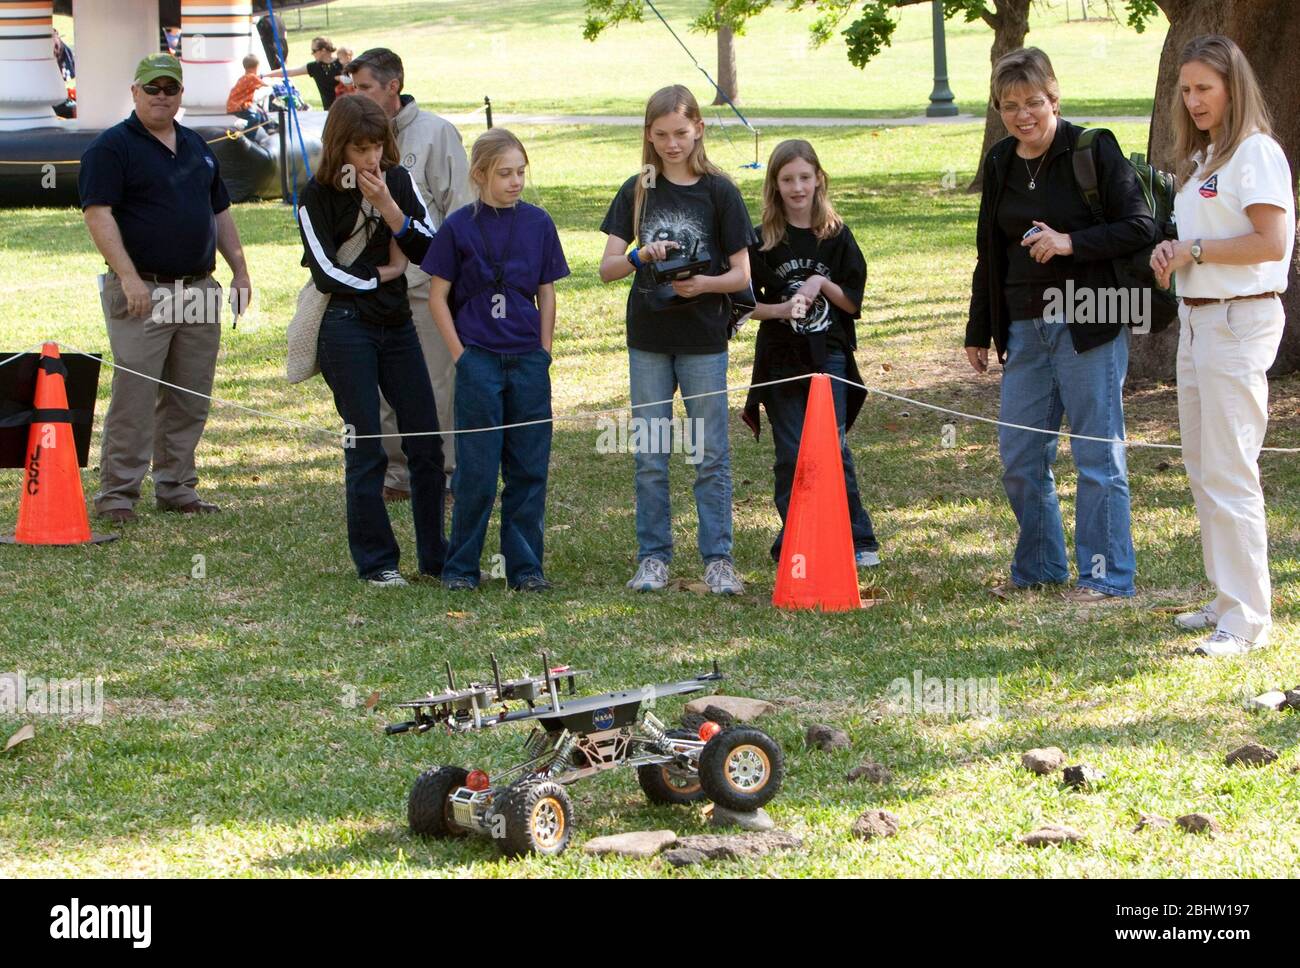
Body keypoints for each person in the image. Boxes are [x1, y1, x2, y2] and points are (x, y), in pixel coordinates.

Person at [965, 47, 1155, 603]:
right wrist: (979, 328)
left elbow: (1139, 225)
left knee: (1096, 455)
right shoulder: (1001, 161)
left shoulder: (1092, 149)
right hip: (1024, 326)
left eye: (1033, 102)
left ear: (1055, 97)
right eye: (1009, 105)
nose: (1023, 115)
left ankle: (1105, 576)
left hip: (1088, 320)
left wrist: (1071, 242)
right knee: (1021, 455)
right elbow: (990, 252)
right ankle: (1041, 567)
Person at [1150, 35, 1296, 656]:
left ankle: (1246, 619)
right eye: (1186, 89)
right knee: (1203, 465)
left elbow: (1271, 243)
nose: (1193, 99)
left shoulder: (1256, 154)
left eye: (1204, 87)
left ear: (1233, 87)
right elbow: (1200, 241)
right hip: (1198, 317)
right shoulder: (1208, 159)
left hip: (1240, 321)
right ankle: (1224, 595)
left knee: (1232, 468)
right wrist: (1172, 253)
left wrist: (1196, 251)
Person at [79, 54, 252, 523]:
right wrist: (129, 277)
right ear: (134, 92)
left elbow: (219, 213)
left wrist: (239, 269)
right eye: (152, 88)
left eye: (169, 89)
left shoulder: (197, 145)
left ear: (180, 95)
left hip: (199, 287)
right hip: (143, 291)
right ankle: (117, 495)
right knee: (135, 396)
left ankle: (176, 486)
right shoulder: (111, 148)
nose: (161, 96)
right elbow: (99, 214)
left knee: (189, 394)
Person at [599, 84, 755, 595]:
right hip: (648, 336)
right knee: (651, 451)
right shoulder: (637, 189)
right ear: (649, 134)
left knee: (710, 451)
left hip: (703, 339)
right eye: (662, 134)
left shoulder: (719, 190)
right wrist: (642, 257)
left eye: (681, 133)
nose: (671, 144)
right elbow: (606, 270)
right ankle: (653, 557)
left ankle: (719, 559)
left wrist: (703, 283)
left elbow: (741, 276)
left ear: (699, 131)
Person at [297, 95, 444, 587]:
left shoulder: (398, 180)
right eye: (360, 148)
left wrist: (387, 206)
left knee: (426, 441)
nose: (371, 159)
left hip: (397, 324)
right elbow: (325, 274)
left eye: (377, 145)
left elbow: (431, 249)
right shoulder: (313, 194)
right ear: (339, 147)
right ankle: (378, 562)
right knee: (366, 446)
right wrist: (384, 272)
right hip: (345, 326)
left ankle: (437, 557)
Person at [423, 129, 569, 592]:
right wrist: (461, 357)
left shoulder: (539, 224)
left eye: (521, 172)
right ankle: (461, 567)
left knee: (529, 467)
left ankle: (525, 568)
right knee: (477, 471)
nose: (515, 182)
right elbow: (437, 297)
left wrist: (543, 351)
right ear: (480, 175)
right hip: (479, 360)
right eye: (505, 173)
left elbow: (547, 291)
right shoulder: (458, 227)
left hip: (527, 359)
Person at [742, 139, 880, 568]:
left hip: (829, 357)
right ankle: (798, 536)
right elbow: (744, 306)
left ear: (819, 179)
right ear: (775, 185)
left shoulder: (836, 236)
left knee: (832, 448)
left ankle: (857, 539)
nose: (797, 187)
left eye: (805, 177)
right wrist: (783, 308)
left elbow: (853, 303)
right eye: (787, 179)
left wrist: (819, 284)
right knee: (791, 452)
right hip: (780, 359)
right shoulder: (762, 241)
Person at [349, 47, 474, 502]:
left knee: (435, 382)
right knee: (384, 386)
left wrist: (451, 281)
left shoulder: (436, 134)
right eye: (352, 87)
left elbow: (460, 210)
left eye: (364, 87)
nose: (355, 95)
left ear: (392, 86)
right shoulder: (352, 138)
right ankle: (396, 475)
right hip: (374, 285)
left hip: (427, 286)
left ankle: (441, 473)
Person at [268, 36, 343, 110]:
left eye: (314, 51)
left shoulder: (342, 63)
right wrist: (265, 75)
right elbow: (291, 72)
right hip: (329, 110)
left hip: (347, 108)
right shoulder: (314, 67)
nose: (312, 54)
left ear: (323, 51)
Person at [226, 55, 270, 137]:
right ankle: (247, 136)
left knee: (259, 111)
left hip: (235, 105)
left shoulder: (244, 77)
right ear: (256, 67)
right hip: (238, 106)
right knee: (255, 118)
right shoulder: (252, 77)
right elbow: (266, 85)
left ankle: (269, 127)